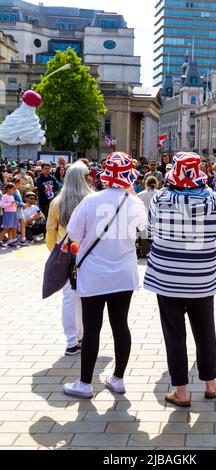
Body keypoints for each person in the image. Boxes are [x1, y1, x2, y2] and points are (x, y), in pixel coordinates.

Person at [144, 152, 216, 407]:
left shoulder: (160, 197)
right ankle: (211, 384)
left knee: (174, 334)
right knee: (205, 331)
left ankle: (181, 391)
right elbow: (215, 233)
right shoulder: (212, 198)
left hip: (167, 277)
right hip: (201, 276)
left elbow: (149, 231)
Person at [63, 152, 147, 399]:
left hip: (94, 275)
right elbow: (143, 228)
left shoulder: (90, 201)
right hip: (124, 273)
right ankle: (118, 379)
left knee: (92, 329)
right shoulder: (134, 203)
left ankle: (86, 383)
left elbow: (74, 235)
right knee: (121, 326)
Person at [46, 161, 94, 356]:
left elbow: (50, 230)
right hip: (88, 254)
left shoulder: (57, 202)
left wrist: (55, 251)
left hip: (66, 253)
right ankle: (83, 336)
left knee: (68, 298)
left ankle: (71, 340)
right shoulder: (92, 199)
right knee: (86, 297)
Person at [137, 176, 159, 257]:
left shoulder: (140, 195)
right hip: (157, 222)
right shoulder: (161, 194)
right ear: (156, 183)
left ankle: (145, 254)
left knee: (145, 242)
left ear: (146, 183)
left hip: (144, 222)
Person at [0, 182, 18, 248]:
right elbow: (1, 205)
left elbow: (12, 205)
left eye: (14, 189)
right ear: (8, 189)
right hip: (8, 213)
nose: (14, 190)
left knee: (12, 228)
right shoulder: (4, 196)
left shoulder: (12, 196)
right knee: (7, 228)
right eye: (13, 189)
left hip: (13, 213)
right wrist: (11, 203)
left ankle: (10, 241)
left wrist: (15, 204)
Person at [12, 177, 27, 245]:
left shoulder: (17, 190)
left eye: (19, 183)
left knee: (23, 222)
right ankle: (14, 239)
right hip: (15, 209)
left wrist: (22, 204)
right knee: (15, 224)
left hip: (19, 208)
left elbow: (19, 201)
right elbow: (14, 202)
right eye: (17, 183)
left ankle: (23, 239)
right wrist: (22, 204)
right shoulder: (13, 191)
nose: (19, 185)